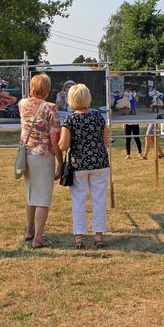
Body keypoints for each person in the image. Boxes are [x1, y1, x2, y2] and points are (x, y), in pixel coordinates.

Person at [59, 84, 110, 249]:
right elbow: (106, 142)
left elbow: (64, 145)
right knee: (99, 199)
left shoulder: (70, 119)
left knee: (78, 200)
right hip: (100, 162)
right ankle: (99, 236)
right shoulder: (98, 117)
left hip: (79, 164)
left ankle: (79, 237)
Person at [18, 73, 62, 249]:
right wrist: (60, 161)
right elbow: (54, 137)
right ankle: (38, 238)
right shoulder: (50, 108)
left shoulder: (22, 104)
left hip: (26, 154)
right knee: (43, 198)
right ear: (47, 90)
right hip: (43, 156)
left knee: (31, 195)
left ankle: (29, 230)